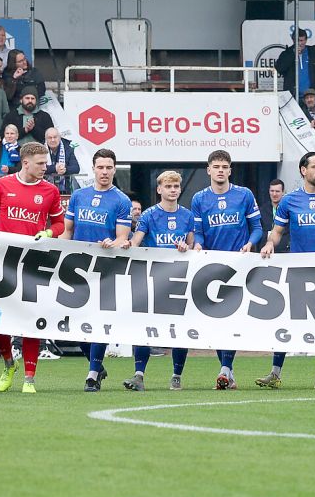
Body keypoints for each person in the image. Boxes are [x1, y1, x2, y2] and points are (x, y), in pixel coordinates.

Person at [0, 141, 65, 393]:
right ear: (25, 163)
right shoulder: (2, 185)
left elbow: (59, 224)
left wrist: (48, 231)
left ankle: (29, 378)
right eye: (40, 163)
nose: (45, 167)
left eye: (45, 163)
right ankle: (8, 363)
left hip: (34, 264)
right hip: (3, 262)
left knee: (30, 320)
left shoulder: (50, 191)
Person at [257, 152, 315, 389]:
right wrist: (270, 243)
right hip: (297, 269)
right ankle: (275, 373)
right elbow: (277, 232)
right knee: (287, 321)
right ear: (303, 170)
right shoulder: (289, 201)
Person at [60, 149, 133, 393]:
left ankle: (93, 374)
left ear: (114, 169)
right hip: (77, 269)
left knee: (99, 321)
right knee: (73, 327)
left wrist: (113, 243)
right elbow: (67, 232)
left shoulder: (121, 200)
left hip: (105, 270)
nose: (104, 172)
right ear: (93, 169)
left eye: (108, 167)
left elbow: (123, 238)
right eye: (100, 167)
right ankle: (96, 364)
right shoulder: (79, 196)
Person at [191, 150, 263, 389]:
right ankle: (228, 374)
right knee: (217, 322)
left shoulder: (244, 195)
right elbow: (199, 231)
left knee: (231, 319)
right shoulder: (199, 198)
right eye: (216, 166)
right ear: (208, 170)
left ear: (230, 170)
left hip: (239, 266)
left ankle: (224, 369)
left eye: (225, 166)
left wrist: (251, 243)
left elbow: (257, 228)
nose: (220, 170)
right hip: (212, 267)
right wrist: (199, 243)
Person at [121, 170, 194, 392]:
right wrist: (127, 245)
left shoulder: (187, 216)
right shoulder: (149, 215)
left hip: (178, 281)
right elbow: (136, 242)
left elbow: (193, 246)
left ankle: (176, 376)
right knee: (144, 327)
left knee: (180, 329)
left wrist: (186, 248)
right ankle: (139, 375)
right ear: (159, 189)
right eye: (168, 187)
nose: (173, 190)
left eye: (176, 187)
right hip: (152, 280)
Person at [275, 28, 315, 97]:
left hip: (311, 95)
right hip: (292, 95)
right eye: (297, 40)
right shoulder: (286, 53)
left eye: (301, 40)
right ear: (293, 40)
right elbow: (279, 69)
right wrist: (293, 55)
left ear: (306, 40)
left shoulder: (312, 53)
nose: (299, 43)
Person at [43, 127, 80, 192]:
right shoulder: (41, 148)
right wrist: (55, 168)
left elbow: (76, 168)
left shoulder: (68, 148)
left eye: (55, 137)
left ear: (60, 138)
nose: (53, 140)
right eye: (50, 138)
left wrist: (64, 169)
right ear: (46, 139)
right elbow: (36, 168)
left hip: (65, 188)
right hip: (44, 188)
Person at [260, 179, 290, 253]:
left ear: (283, 192)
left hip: (285, 251)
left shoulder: (289, 210)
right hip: (266, 252)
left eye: (277, 191)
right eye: (272, 191)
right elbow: (258, 230)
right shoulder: (262, 210)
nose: (274, 194)